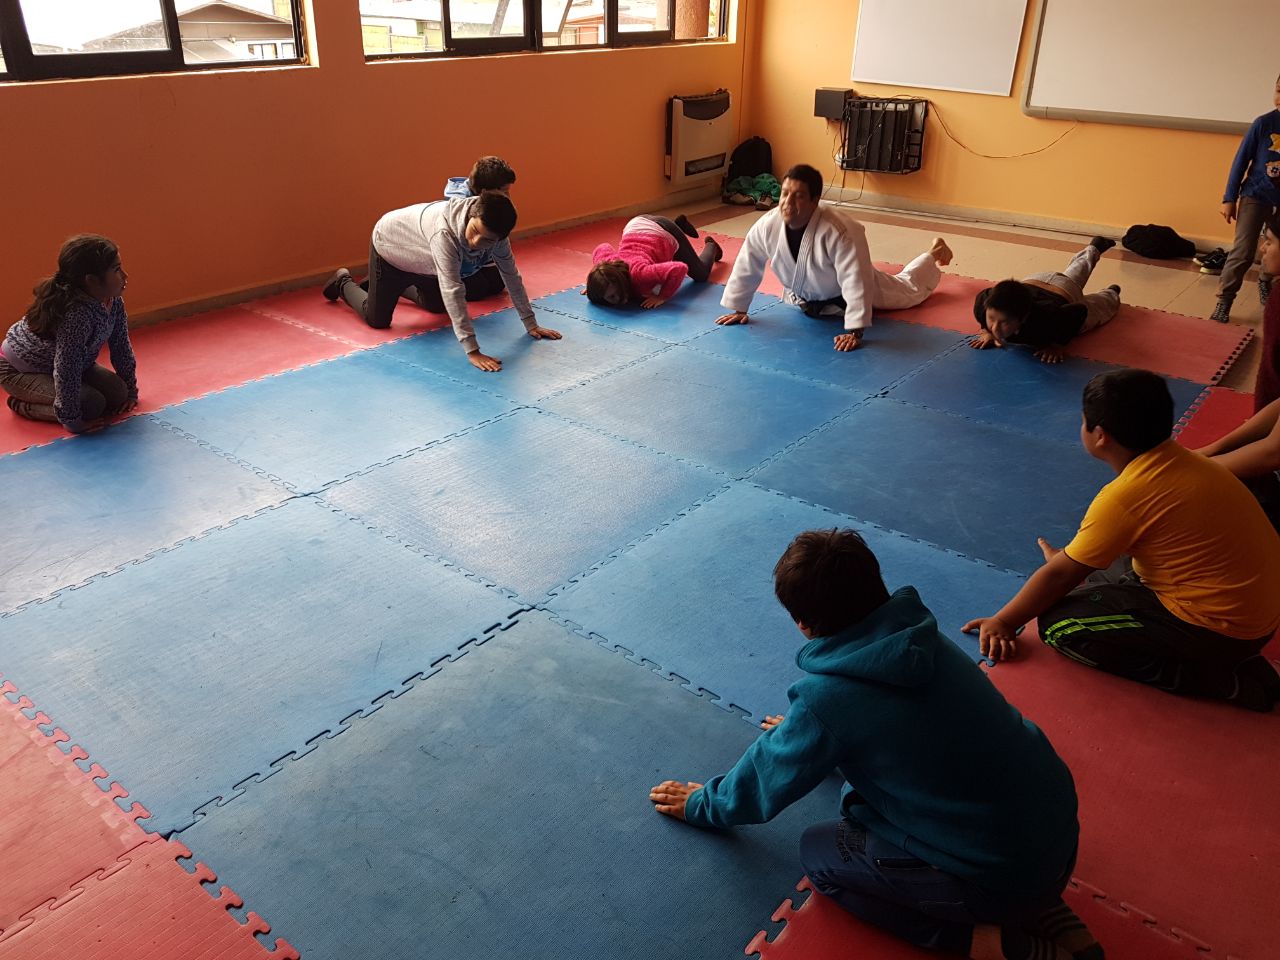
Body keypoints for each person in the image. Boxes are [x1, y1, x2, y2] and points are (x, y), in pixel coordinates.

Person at [650, 529, 1097, 960]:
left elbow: (760, 784)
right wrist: (816, 734)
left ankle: (986, 940)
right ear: (877, 588)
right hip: (1058, 837)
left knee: (820, 855)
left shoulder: (827, 700)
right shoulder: (920, 641)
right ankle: (1042, 905)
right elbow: (910, 728)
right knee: (981, 809)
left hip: (998, 876)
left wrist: (701, 805)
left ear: (803, 625)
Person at [963, 369, 1280, 711]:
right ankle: (1224, 656)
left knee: (1060, 625)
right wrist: (1072, 560)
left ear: (1099, 435)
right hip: (1258, 617)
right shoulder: (1190, 461)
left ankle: (1223, 681)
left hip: (1221, 631)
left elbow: (1059, 576)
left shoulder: (1124, 498)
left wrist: (1004, 621)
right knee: (1111, 558)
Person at [716, 163, 952, 352]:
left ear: (815, 200)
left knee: (907, 290)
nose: (787, 203)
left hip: (851, 290)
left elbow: (856, 279)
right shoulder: (767, 225)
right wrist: (739, 308)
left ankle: (934, 253)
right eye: (785, 194)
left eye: (798, 196)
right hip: (805, 296)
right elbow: (748, 262)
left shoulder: (840, 230)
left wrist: (855, 331)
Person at [322, 192, 561, 372]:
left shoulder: (498, 239)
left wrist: (531, 324)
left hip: (425, 259)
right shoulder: (444, 234)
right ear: (472, 215)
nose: (476, 242)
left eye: (487, 240)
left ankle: (386, 285)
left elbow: (511, 276)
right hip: (391, 248)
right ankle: (344, 281)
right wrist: (473, 351)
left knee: (436, 306)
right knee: (377, 320)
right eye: (475, 231)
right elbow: (452, 289)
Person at [0, 235, 138, 433]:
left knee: (119, 393)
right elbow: (67, 367)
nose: (125, 275)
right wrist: (72, 420)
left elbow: (121, 345)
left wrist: (131, 391)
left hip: (65, 364)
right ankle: (22, 405)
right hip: (19, 370)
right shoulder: (76, 314)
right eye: (116, 270)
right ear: (91, 281)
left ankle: (71, 403)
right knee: (90, 405)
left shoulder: (113, 301)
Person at [970, 239, 1122, 364]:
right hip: (1036, 279)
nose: (995, 327)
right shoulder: (984, 305)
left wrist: (1056, 345)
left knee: (1093, 312)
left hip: (1065, 291)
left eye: (1004, 322)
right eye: (991, 319)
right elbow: (984, 295)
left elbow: (1079, 310)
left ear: (1023, 319)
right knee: (1075, 272)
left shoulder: (1047, 320)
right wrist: (986, 331)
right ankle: (1094, 248)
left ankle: (1111, 293)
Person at [1210, 75, 1280, 323]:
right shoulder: (1263, 124)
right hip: (1255, 195)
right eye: (1278, 91)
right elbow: (1240, 161)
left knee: (1276, 248)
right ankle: (1224, 300)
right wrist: (1229, 198)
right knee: (1243, 251)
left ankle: (1265, 279)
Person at [585, 214, 722, 308]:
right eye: (610, 297)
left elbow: (679, 268)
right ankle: (680, 225)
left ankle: (712, 245)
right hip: (636, 225)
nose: (618, 300)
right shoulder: (608, 264)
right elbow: (602, 247)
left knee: (701, 275)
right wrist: (596, 285)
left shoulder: (639, 273)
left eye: (614, 295)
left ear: (621, 281)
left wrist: (663, 296)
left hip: (664, 230)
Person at [441, 156, 517, 301]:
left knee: (497, 283)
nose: (507, 196)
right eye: (505, 191)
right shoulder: (459, 205)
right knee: (476, 290)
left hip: (476, 256)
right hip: (457, 259)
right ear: (486, 191)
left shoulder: (488, 198)